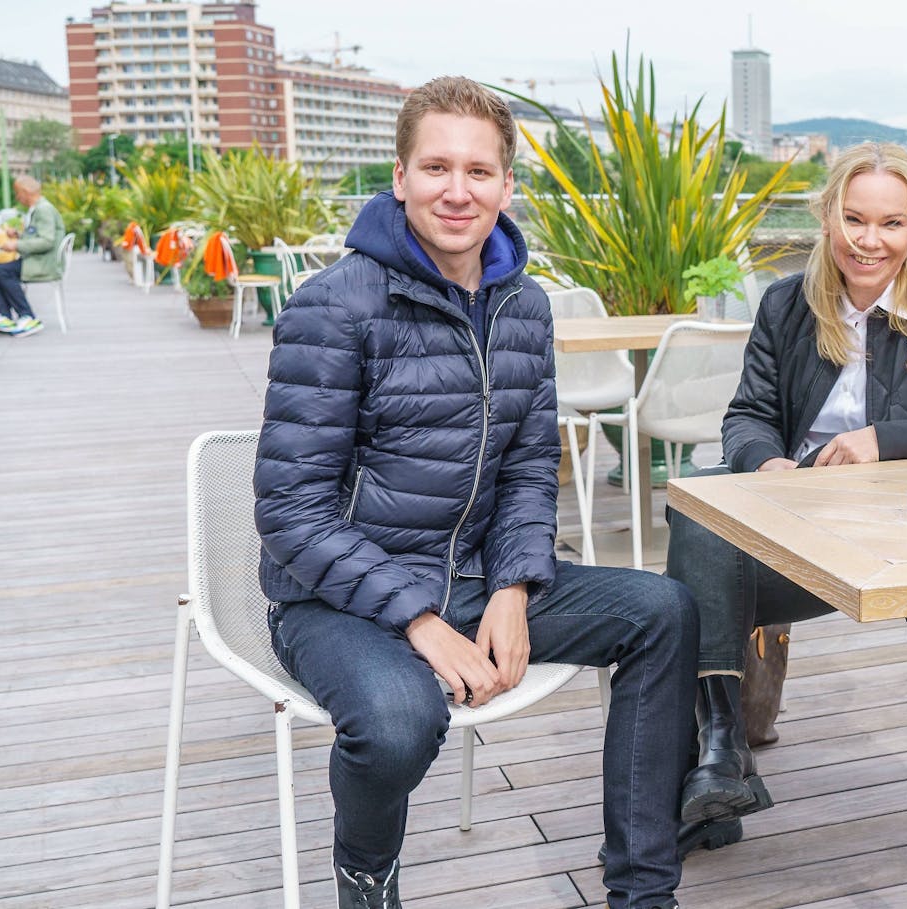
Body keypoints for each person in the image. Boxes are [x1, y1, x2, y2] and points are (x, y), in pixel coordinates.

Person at [254, 76, 696, 909]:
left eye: (479, 171)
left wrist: (513, 586)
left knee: (663, 612)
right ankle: (364, 875)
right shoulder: (333, 308)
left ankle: (643, 894)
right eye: (436, 167)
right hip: (338, 598)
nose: (458, 190)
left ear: (507, 184)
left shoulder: (523, 305)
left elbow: (532, 468)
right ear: (399, 177)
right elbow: (290, 511)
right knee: (395, 723)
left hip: (472, 576)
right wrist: (419, 619)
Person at [664, 142, 907, 845]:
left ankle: (718, 757)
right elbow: (746, 413)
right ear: (827, 219)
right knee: (698, 512)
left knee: (687, 591)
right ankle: (720, 750)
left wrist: (889, 438)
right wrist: (766, 463)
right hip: (800, 522)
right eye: (854, 219)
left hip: (906, 536)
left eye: (891, 223)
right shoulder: (787, 302)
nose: (870, 241)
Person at [0, 175, 62, 337]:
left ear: (25, 192)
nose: (18, 198)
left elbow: (47, 241)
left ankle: (28, 316)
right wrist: (19, 236)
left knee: (1, 272)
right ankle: (5, 316)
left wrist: (16, 245)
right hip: (35, 260)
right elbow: (38, 236)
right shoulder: (37, 209)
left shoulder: (44, 210)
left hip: (44, 263)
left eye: (18, 193)